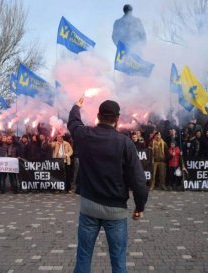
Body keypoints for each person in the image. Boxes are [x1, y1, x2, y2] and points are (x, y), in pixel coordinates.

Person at [68, 98, 148, 273]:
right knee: (118, 260)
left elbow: (73, 123)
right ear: (117, 118)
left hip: (89, 207)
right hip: (116, 211)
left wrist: (76, 106)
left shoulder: (85, 135)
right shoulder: (125, 143)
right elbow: (139, 181)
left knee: (83, 257)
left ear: (98, 116)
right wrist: (139, 207)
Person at [0, 129, 19, 194]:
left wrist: (13, 135)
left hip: (12, 165)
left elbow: (17, 142)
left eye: (10, 139)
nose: (9, 140)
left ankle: (15, 190)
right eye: (8, 139)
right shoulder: (2, 144)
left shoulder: (14, 145)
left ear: (12, 140)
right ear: (6, 139)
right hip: (3, 164)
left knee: (13, 178)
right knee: (2, 178)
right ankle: (2, 190)